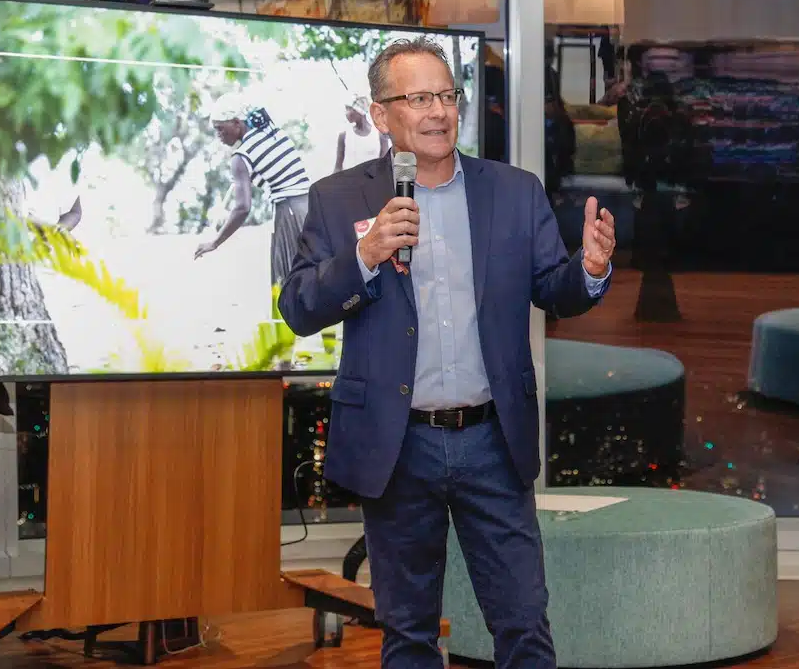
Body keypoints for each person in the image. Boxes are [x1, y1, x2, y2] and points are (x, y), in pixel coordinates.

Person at [277, 37, 616, 669]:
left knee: (524, 624)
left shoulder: (513, 191)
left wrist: (589, 270)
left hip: (493, 440)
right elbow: (298, 307)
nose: (438, 112)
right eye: (418, 99)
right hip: (397, 445)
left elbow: (554, 289)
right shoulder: (338, 198)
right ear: (381, 115)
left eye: (447, 96)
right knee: (408, 633)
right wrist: (364, 256)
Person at [195, 90, 313, 291]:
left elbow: (242, 208)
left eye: (220, 129)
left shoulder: (241, 157)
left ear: (237, 123)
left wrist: (215, 242)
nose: (218, 135)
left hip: (289, 212)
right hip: (311, 205)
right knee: (311, 276)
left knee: (287, 284)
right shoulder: (272, 131)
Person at [334, 97, 390, 172]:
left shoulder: (379, 134)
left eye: (349, 109)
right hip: (349, 178)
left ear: (359, 111)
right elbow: (338, 167)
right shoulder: (344, 135)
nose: (346, 113)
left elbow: (384, 165)